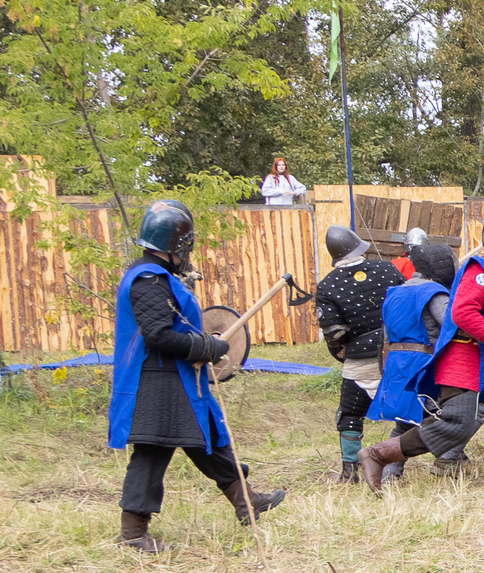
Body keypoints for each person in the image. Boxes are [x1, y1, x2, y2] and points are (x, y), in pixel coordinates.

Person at [108, 200, 285, 551]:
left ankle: (246, 501)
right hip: (154, 379)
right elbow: (157, 336)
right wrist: (207, 347)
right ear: (173, 244)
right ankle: (133, 535)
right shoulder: (148, 279)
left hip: (172, 376)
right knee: (152, 451)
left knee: (206, 440)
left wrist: (204, 343)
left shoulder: (159, 277)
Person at [356, 213, 484, 486]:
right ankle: (378, 455)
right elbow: (462, 313)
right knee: (456, 424)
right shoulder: (480, 269)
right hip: (466, 359)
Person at [358, 242, 457, 488]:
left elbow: (385, 336)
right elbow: (453, 324)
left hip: (397, 363)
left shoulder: (395, 292)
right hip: (425, 364)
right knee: (458, 414)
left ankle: (389, 474)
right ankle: (447, 462)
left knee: (405, 420)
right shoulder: (433, 292)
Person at [312, 225, 395, 484]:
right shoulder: (388, 270)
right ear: (358, 246)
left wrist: (343, 353)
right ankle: (406, 464)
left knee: (349, 415)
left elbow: (334, 334)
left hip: (360, 359)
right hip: (399, 355)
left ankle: (350, 473)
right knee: (416, 409)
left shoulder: (327, 286)